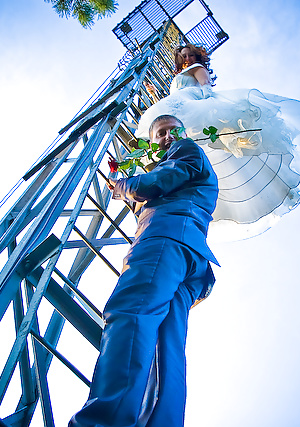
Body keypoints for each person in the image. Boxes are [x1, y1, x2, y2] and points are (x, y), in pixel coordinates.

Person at [69, 114, 219, 427]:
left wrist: (124, 185)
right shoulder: (186, 172)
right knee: (167, 347)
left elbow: (152, 184)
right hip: (190, 258)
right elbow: (150, 196)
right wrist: (124, 183)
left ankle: (101, 422)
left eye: (169, 131)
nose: (166, 138)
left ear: (182, 132)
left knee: (130, 314)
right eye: (160, 135)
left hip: (165, 241)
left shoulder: (187, 150)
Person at [136, 43, 300, 235]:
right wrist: (154, 94)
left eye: (191, 55)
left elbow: (205, 86)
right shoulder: (178, 78)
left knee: (190, 137)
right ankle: (167, 176)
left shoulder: (197, 69)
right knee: (168, 132)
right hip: (177, 102)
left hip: (192, 101)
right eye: (184, 56)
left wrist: (210, 105)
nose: (188, 59)